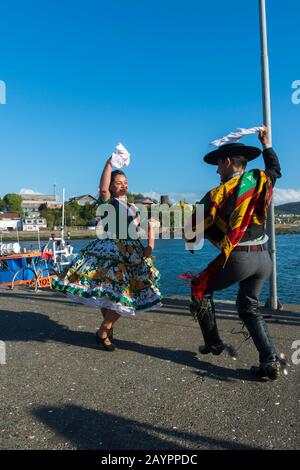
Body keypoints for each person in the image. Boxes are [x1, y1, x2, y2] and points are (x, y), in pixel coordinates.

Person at [184, 126, 287, 380]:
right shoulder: (260, 180)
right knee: (249, 306)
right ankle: (269, 360)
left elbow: (192, 229)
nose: (217, 171)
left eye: (218, 165)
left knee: (200, 286)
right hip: (263, 258)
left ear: (228, 162)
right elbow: (276, 170)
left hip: (240, 257)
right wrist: (266, 145)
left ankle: (214, 343)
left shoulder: (216, 194)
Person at [52, 154, 162, 351]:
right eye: (118, 183)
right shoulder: (108, 203)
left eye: (125, 182)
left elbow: (146, 227)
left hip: (133, 252)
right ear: (111, 187)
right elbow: (102, 188)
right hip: (111, 250)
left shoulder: (133, 207)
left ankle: (105, 331)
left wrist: (149, 246)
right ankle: (104, 331)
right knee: (116, 293)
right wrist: (109, 163)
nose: (123, 185)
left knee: (118, 294)